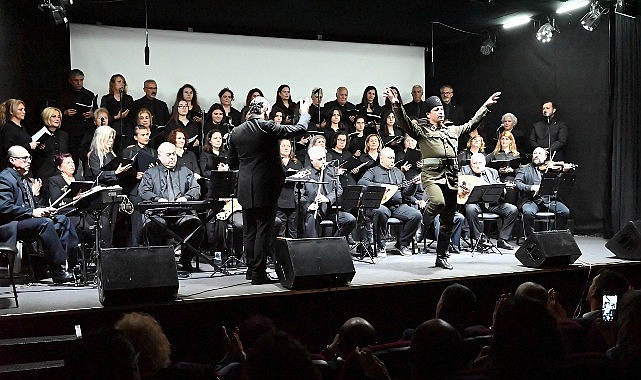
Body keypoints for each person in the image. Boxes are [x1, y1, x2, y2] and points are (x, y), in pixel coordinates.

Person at [388, 88, 501, 269]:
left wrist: (486, 106)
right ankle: (423, 224)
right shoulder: (421, 131)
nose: (440, 111)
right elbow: (405, 122)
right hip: (432, 176)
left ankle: (441, 256)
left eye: (441, 109)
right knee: (437, 202)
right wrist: (396, 104)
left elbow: (472, 123)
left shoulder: (452, 130)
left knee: (448, 220)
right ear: (428, 113)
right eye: (436, 109)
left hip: (451, 177)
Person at [228, 96, 311, 285]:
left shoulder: (236, 131)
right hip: (265, 187)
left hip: (245, 187)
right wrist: (304, 114)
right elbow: (298, 129)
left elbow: (232, 162)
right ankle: (259, 274)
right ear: (265, 110)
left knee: (249, 231)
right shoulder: (267, 126)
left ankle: (251, 270)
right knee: (263, 230)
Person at [0, 145, 76, 283]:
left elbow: (29, 205)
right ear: (12, 160)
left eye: (29, 157)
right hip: (10, 224)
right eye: (24, 158)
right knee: (45, 223)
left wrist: (44, 209)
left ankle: (68, 264)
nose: (28, 161)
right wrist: (32, 212)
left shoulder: (24, 178)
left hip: (25, 219)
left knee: (62, 219)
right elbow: (4, 208)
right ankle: (57, 270)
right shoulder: (5, 178)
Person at [139, 142, 203, 272]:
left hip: (181, 214)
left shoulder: (185, 171)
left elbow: (196, 188)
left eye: (174, 154)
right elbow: (143, 191)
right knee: (154, 225)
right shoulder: (150, 173)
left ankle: (185, 260)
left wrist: (186, 198)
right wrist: (158, 199)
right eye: (169, 155)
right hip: (159, 214)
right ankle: (159, 262)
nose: (173, 157)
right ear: (160, 156)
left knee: (197, 225)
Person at [358, 147, 422, 257]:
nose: (392, 160)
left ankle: (402, 244)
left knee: (416, 215)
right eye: (390, 158)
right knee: (381, 212)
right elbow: (361, 182)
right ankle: (381, 246)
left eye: (393, 158)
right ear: (381, 159)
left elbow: (406, 193)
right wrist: (381, 186)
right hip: (379, 205)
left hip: (397, 206)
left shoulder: (398, 172)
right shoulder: (373, 171)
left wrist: (414, 185)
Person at [460, 153, 517, 250]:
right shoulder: (465, 170)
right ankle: (478, 239)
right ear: (470, 164)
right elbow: (460, 184)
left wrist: (502, 189)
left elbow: (499, 186)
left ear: (485, 163)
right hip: (475, 203)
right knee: (470, 209)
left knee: (512, 209)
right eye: (474, 163)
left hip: (492, 204)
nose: (477, 165)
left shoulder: (492, 172)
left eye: (480, 163)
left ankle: (502, 239)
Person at [301, 145, 356, 239]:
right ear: (312, 161)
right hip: (313, 210)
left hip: (330, 209)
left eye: (324, 158)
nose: (323, 161)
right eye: (319, 159)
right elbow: (299, 194)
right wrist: (308, 206)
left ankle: (334, 241)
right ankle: (314, 249)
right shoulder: (305, 173)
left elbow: (338, 190)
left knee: (350, 220)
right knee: (311, 223)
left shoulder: (332, 171)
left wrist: (327, 198)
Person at [515, 147, 571, 239]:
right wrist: (531, 187)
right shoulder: (524, 168)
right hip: (531, 200)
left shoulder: (551, 169)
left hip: (548, 200)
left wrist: (564, 172)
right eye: (535, 153)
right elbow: (517, 183)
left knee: (564, 211)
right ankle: (531, 239)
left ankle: (554, 236)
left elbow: (559, 184)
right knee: (528, 212)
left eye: (539, 154)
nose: (536, 155)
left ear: (545, 157)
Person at [120, 125, 157, 246]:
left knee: (150, 221)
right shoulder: (128, 152)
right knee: (136, 223)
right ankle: (136, 249)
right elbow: (121, 174)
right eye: (143, 135)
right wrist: (134, 175)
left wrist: (152, 170)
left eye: (147, 135)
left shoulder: (152, 152)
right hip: (134, 191)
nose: (146, 137)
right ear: (136, 137)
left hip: (150, 190)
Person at [58, 69, 97, 168]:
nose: (79, 83)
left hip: (86, 131)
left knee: (87, 159)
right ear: (70, 81)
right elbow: (53, 110)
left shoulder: (89, 95)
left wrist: (92, 114)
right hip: (69, 131)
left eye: (81, 80)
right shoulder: (62, 95)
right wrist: (64, 112)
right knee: (72, 157)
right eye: (76, 80)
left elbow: (96, 110)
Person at [32, 107, 70, 201]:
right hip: (46, 175)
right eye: (54, 116)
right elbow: (34, 156)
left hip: (61, 175)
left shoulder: (64, 135)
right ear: (47, 118)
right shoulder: (39, 135)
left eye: (59, 117)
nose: (57, 119)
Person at [100, 74, 134, 152]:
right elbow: (103, 116)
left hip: (126, 131)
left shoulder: (128, 99)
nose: (122, 84)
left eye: (123, 82)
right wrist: (116, 117)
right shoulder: (106, 99)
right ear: (113, 84)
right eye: (119, 82)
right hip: (111, 131)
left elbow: (132, 115)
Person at [276, 138, 302, 238]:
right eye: (283, 146)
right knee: (280, 230)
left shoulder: (296, 163)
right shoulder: (274, 162)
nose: (286, 148)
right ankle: (279, 252)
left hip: (293, 200)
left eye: (289, 146)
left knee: (293, 230)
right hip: (279, 199)